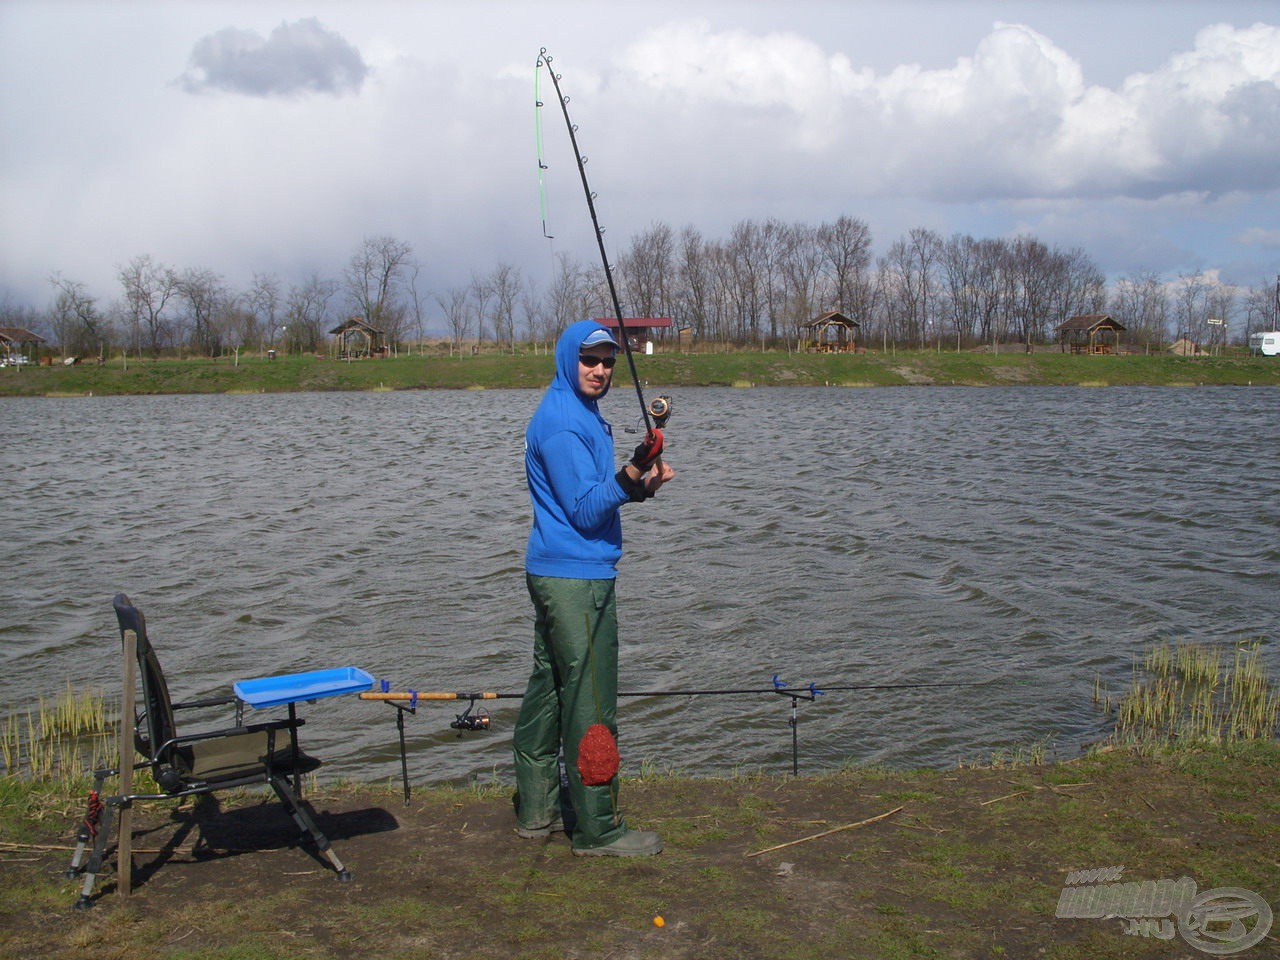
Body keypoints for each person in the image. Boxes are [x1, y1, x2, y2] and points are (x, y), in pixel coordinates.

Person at [512, 319, 675, 857]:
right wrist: (632, 471)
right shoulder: (561, 422)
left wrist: (641, 486)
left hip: (559, 570)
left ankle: (536, 812)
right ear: (567, 358)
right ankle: (598, 829)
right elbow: (584, 511)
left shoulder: (579, 412)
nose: (601, 370)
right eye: (590, 360)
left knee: (550, 689)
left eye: (608, 361)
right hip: (577, 580)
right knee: (592, 701)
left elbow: (587, 497)